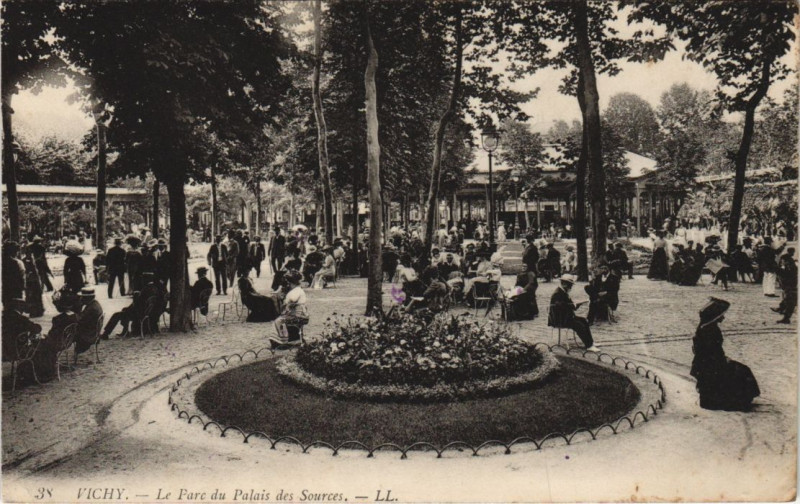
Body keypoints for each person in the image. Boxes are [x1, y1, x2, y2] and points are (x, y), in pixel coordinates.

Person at [690, 298, 760, 411]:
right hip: (711, 364)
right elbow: (712, 351)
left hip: (705, 362)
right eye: (721, 315)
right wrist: (724, 359)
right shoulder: (711, 330)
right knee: (741, 371)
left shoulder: (705, 326)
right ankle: (736, 400)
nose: (723, 317)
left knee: (739, 370)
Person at [547, 274, 598, 351]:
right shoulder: (558, 293)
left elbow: (570, 307)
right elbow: (561, 307)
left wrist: (577, 304)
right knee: (579, 325)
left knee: (584, 320)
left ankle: (591, 342)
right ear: (564, 283)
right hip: (559, 319)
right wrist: (573, 305)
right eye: (570, 285)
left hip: (566, 317)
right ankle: (589, 346)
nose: (571, 287)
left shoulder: (563, 292)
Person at [271, 270, 308, 346]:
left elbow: (292, 301)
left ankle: (282, 341)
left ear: (291, 283)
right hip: (298, 314)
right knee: (279, 320)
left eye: (288, 282)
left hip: (299, 316)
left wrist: (285, 302)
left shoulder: (297, 290)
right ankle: (288, 338)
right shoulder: (296, 289)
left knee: (278, 321)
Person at [74, 287, 104, 357]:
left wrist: (79, 306)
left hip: (89, 334)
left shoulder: (91, 308)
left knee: (66, 333)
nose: (81, 299)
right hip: (93, 331)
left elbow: (80, 319)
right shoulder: (94, 304)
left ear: (87, 298)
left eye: (82, 297)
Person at [774, 254, 797, 324]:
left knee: (790, 303)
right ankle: (782, 311)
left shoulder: (791, 267)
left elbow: (788, 276)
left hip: (791, 287)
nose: (781, 262)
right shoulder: (790, 266)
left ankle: (785, 317)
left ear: (786, 261)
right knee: (789, 301)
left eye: (783, 260)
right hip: (790, 287)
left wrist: (779, 270)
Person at [2, 241, 26, 307]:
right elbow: (22, 276)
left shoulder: (2, 262)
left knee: (7, 307)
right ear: (16, 252)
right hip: (16, 289)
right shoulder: (18, 263)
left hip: (5, 290)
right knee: (16, 308)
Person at [22, 248, 44, 318]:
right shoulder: (26, 261)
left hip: (34, 280)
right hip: (31, 280)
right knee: (33, 296)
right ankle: (34, 311)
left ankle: (37, 311)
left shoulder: (33, 260)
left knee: (35, 296)